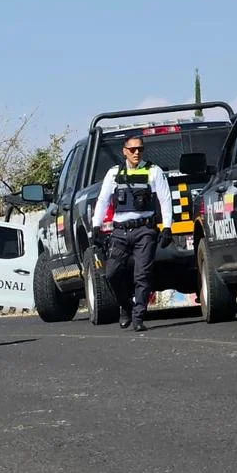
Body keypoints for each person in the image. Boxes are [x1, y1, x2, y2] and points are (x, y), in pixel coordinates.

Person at [90, 135, 173, 331]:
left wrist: (167, 226)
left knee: (142, 275)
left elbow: (165, 198)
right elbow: (102, 200)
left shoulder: (153, 171)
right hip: (120, 231)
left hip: (145, 230)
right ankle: (126, 306)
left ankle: (138, 318)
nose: (137, 153)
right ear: (124, 151)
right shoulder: (114, 173)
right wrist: (96, 225)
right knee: (111, 273)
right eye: (133, 149)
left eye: (140, 149)